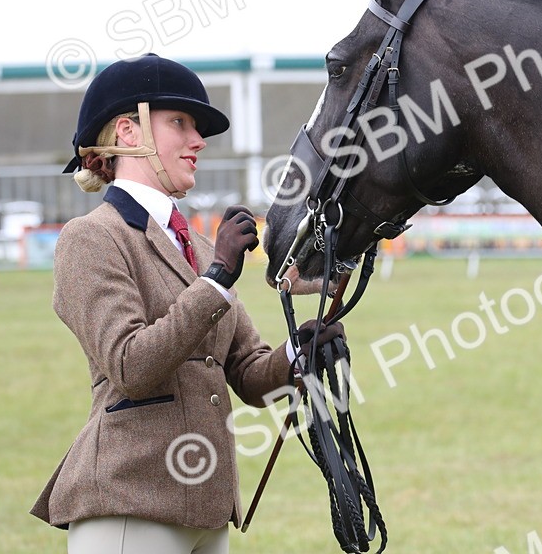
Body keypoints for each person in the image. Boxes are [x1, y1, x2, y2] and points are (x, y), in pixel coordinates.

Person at [31, 53, 340, 554]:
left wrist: (298, 352)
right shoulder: (90, 238)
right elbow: (131, 365)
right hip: (129, 503)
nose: (198, 141)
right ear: (129, 133)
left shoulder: (198, 246)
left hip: (208, 508)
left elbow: (249, 376)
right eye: (179, 123)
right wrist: (215, 279)